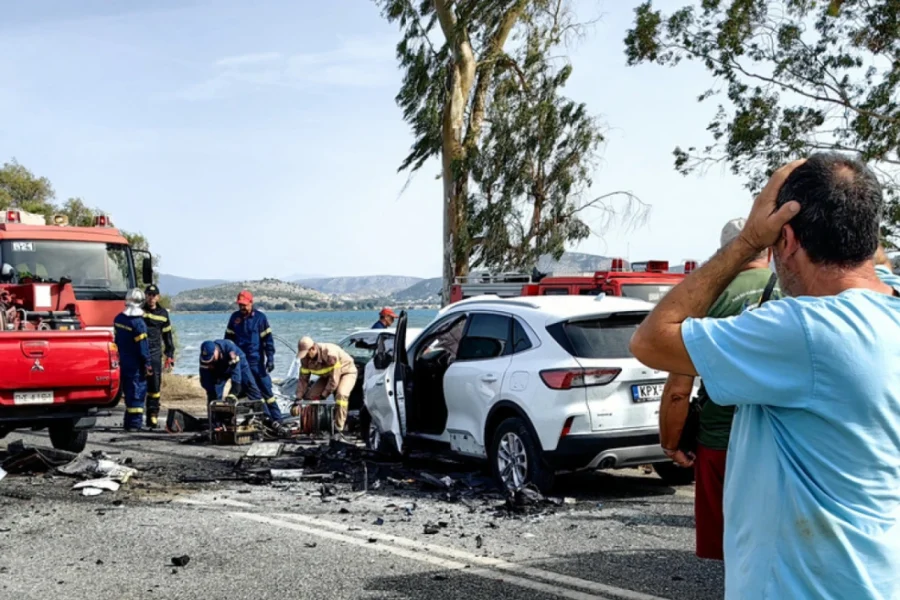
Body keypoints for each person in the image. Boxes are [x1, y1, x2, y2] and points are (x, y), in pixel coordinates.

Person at [630, 153, 900, 600]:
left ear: (786, 238)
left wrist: (748, 241)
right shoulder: (889, 311)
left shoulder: (806, 330)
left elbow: (650, 340)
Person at [658, 217, 780, 561]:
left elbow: (679, 390)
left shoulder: (706, 300)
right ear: (770, 251)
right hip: (783, 440)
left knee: (731, 552)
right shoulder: (798, 291)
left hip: (720, 440)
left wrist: (671, 443)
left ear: (725, 253)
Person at [224, 290, 282, 422]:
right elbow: (228, 340)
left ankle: (278, 420)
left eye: (244, 305)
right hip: (241, 363)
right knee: (248, 393)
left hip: (257, 362)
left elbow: (268, 340)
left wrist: (270, 358)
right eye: (240, 305)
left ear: (251, 303)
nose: (242, 307)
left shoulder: (260, 318)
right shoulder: (234, 318)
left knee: (267, 391)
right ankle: (260, 420)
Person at [294, 336, 358, 440]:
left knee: (341, 395)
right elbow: (303, 380)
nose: (306, 357)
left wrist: (324, 395)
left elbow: (334, 380)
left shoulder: (330, 354)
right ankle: (315, 427)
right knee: (311, 397)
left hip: (346, 372)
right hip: (327, 375)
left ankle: (339, 428)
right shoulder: (305, 360)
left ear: (313, 348)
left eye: (306, 354)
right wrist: (298, 398)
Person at [114, 289, 152, 432]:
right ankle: (135, 425)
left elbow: (116, 341)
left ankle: (127, 422)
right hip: (136, 364)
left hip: (122, 361)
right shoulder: (139, 323)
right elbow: (143, 348)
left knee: (128, 392)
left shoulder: (118, 319)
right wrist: (147, 363)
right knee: (137, 393)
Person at [142, 284, 175, 429]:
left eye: (154, 295)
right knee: (137, 384)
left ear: (158, 297)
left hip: (155, 353)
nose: (151, 297)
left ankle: (152, 416)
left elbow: (167, 336)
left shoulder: (163, 314)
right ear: (145, 296)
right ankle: (133, 417)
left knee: (154, 386)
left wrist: (169, 354)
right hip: (139, 352)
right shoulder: (139, 311)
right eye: (149, 295)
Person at [198, 339, 262, 409]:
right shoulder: (204, 358)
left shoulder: (230, 350)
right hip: (220, 370)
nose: (209, 362)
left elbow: (236, 374)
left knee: (251, 387)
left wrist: (233, 393)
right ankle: (215, 417)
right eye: (207, 361)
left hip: (239, 365)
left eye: (211, 359)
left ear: (216, 351)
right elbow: (205, 379)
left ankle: (264, 415)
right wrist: (211, 391)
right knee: (214, 397)